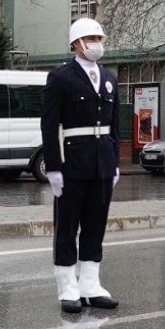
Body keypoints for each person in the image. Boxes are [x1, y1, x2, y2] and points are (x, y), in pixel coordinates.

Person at [40, 18, 121, 313]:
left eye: (99, 38)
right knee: (67, 227)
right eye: (91, 39)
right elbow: (50, 125)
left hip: (101, 164)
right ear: (76, 43)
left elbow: (114, 125)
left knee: (95, 226)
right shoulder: (61, 77)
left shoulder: (110, 77)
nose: (97, 44)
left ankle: (90, 284)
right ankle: (68, 288)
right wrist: (54, 167)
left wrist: (114, 163)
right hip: (72, 163)